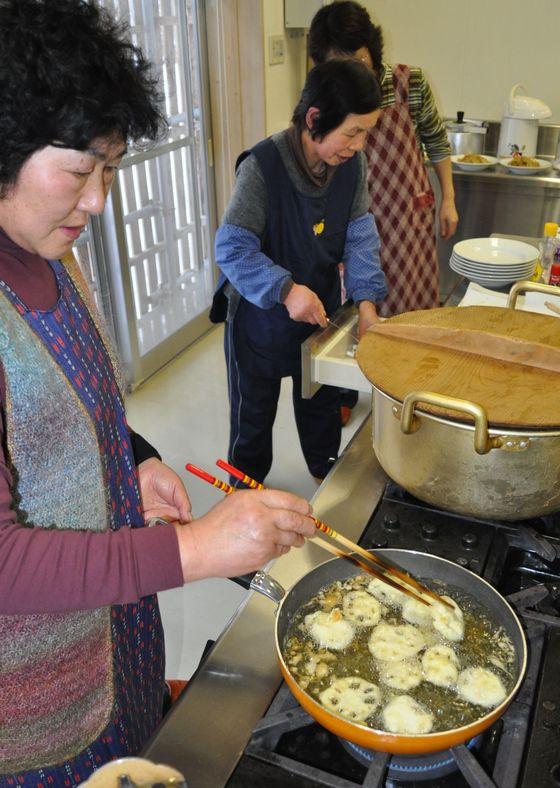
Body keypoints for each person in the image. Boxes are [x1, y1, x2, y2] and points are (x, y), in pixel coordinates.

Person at [0, 1, 315, 783]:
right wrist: (199, 549)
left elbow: (76, 400)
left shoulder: (50, 250)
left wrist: (132, 460)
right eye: (79, 171)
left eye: (109, 169)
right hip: (35, 707)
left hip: (118, 635)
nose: (99, 200)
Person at [212, 59, 387, 487]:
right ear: (314, 118)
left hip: (319, 315)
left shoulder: (352, 166)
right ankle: (244, 493)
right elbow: (231, 248)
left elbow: (361, 237)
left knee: (321, 405)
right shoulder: (262, 168)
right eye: (352, 132)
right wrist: (286, 290)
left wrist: (366, 306)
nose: (360, 145)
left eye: (366, 132)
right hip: (259, 320)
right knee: (253, 418)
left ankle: (325, 477)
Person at [309, 0, 459, 318]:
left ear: (373, 52)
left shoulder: (411, 83)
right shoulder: (323, 97)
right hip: (354, 222)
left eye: (360, 62)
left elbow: (437, 142)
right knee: (359, 311)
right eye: (340, 66)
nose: (353, 75)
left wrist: (449, 199)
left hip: (407, 223)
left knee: (413, 316)